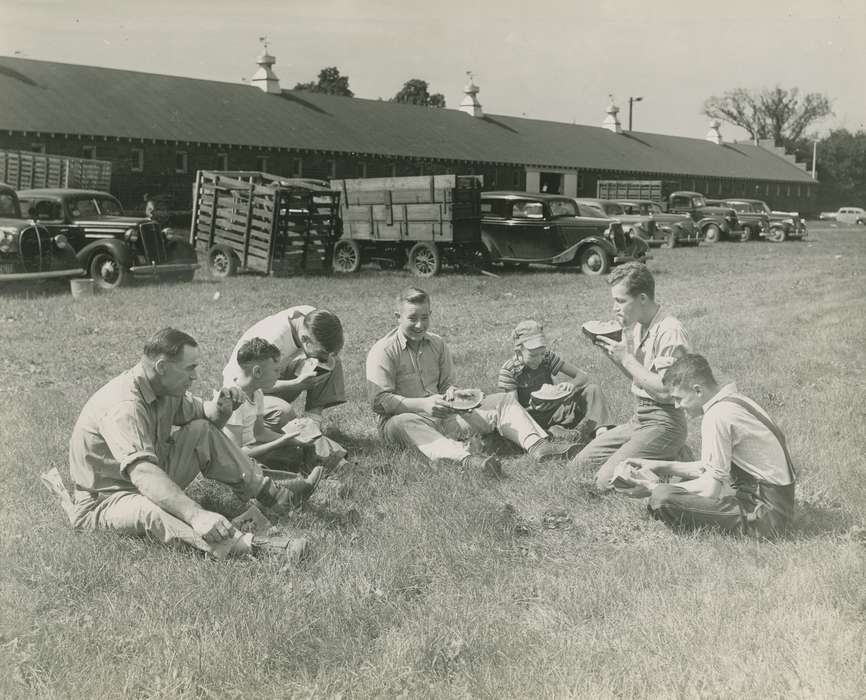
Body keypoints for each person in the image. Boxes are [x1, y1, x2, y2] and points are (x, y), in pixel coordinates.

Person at [68, 328, 321, 558]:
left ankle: (274, 495)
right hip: (106, 500)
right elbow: (143, 473)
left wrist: (224, 407)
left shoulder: (163, 388)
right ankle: (249, 547)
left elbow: (206, 417)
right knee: (151, 508)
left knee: (200, 430)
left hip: (147, 476)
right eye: (190, 368)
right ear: (162, 366)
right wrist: (196, 514)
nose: (196, 376)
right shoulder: (124, 407)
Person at [366, 287, 581, 475]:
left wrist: (456, 395)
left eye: (425, 317)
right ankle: (467, 461)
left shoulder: (437, 344)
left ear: (430, 314)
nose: (420, 325)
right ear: (398, 316)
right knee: (403, 422)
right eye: (412, 318)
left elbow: (447, 385)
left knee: (503, 400)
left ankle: (538, 446)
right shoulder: (383, 351)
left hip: (444, 415)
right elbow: (379, 401)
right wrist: (423, 404)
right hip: (403, 422)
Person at [617, 354, 796, 538]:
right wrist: (656, 465)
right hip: (776, 504)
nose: (677, 406)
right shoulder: (734, 401)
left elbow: (711, 488)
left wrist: (651, 487)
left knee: (662, 498)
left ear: (698, 390)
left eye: (679, 398)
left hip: (765, 517)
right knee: (672, 489)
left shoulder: (717, 416)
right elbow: (711, 468)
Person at [572, 262, 692, 491]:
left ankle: (673, 459)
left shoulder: (670, 331)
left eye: (620, 301)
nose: (614, 308)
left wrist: (626, 358)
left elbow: (668, 392)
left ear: (643, 298)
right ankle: (666, 454)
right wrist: (614, 356)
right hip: (639, 418)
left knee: (604, 482)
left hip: (665, 422)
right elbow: (640, 378)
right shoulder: (638, 326)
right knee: (580, 465)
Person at [223, 306, 347, 468]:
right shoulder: (272, 340)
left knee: (331, 362)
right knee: (283, 411)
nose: (325, 356)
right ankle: (308, 444)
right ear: (305, 339)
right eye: (322, 350)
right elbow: (247, 383)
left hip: (262, 386)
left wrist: (319, 360)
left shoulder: (312, 319)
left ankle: (312, 428)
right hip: (244, 393)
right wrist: (295, 384)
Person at [497, 319, 612, 444]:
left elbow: (582, 376)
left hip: (557, 411)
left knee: (593, 389)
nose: (539, 359)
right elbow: (513, 410)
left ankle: (601, 431)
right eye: (534, 356)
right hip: (531, 418)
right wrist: (533, 406)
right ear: (519, 351)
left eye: (542, 353)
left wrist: (571, 384)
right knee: (532, 427)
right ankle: (554, 433)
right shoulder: (509, 370)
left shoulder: (547, 357)